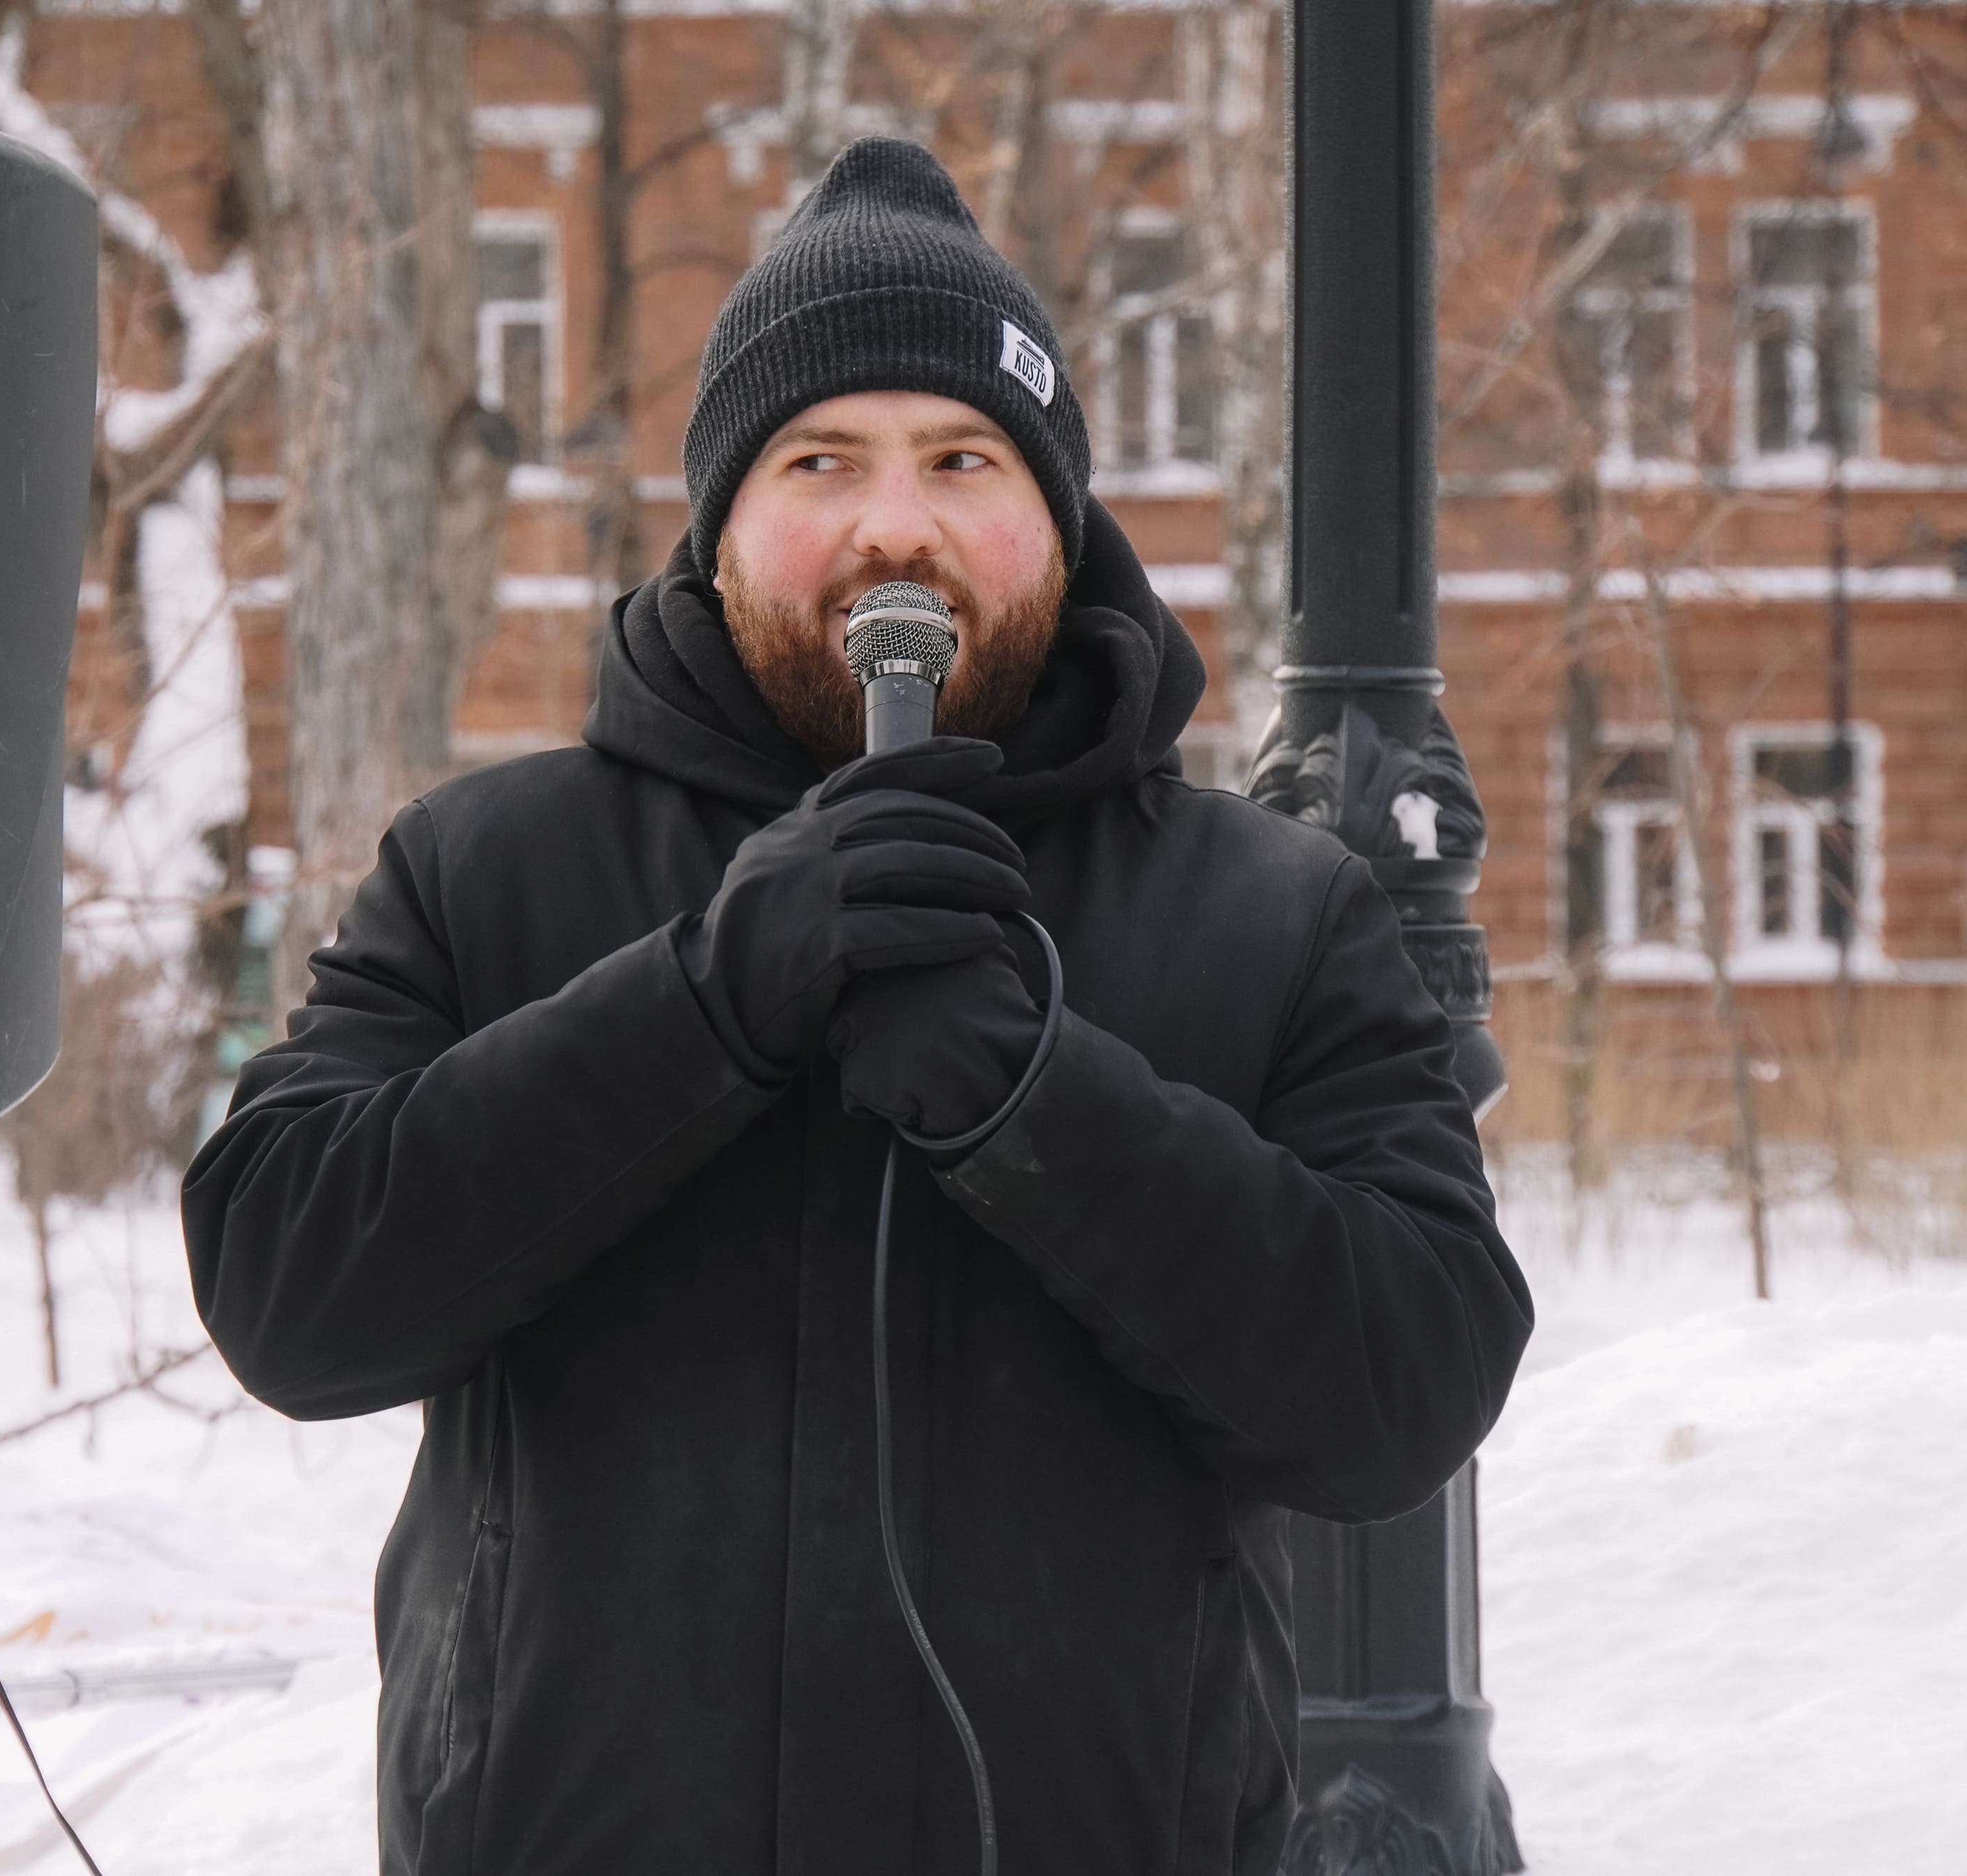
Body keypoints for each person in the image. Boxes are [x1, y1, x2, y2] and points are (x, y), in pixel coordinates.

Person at [183, 136, 1532, 1876]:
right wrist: (699, 1007)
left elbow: (1407, 1380)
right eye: (821, 459)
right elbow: (286, 1286)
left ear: (1053, 517)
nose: (895, 521)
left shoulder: (1266, 912)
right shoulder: (488, 867)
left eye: (963, 458)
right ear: (722, 524)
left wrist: (1037, 1104)